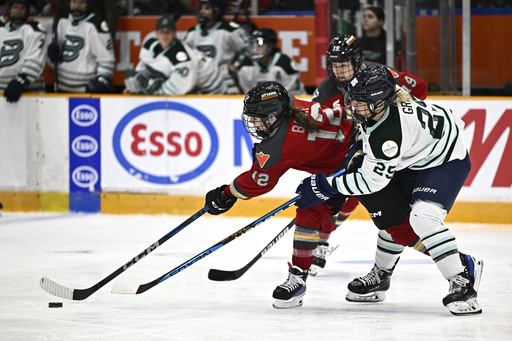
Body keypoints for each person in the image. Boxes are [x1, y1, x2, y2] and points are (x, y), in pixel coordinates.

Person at [296, 65, 484, 315]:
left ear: (379, 103)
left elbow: (372, 182)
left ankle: (461, 277)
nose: (353, 107)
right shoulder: (380, 104)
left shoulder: (388, 131)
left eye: (361, 103)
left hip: (446, 159)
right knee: (391, 212)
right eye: (353, 99)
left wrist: (327, 185)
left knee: (422, 218)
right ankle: (382, 275)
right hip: (415, 153)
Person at [309, 34, 428, 276]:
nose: (338, 71)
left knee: (386, 209)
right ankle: (321, 240)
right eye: (334, 65)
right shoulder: (326, 90)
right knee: (346, 195)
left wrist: (399, 122)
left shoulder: (380, 74)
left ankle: (438, 251)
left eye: (344, 65)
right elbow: (321, 127)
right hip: (357, 151)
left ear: (357, 61)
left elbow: (420, 88)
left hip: (391, 150)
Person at [123, 15, 227, 95]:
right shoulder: (149, 45)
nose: (165, 35)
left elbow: (179, 87)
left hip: (212, 85)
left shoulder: (180, 56)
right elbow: (145, 67)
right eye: (161, 32)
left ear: (174, 33)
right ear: (156, 34)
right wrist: (135, 86)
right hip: (194, 81)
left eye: (168, 32)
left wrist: (154, 92)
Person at [46, 0, 115, 93]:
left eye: (81, 3)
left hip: (86, 89)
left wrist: (103, 77)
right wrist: (56, 51)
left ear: (87, 4)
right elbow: (60, 47)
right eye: (74, 2)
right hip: (61, 87)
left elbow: (106, 58)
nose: (77, 6)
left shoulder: (96, 24)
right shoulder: (63, 19)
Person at [184, 0, 250, 94]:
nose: (202, 11)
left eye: (207, 8)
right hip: (200, 79)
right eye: (201, 8)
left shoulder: (230, 29)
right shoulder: (193, 32)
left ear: (217, 11)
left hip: (223, 78)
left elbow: (249, 50)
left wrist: (236, 66)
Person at [234, 27, 306, 96]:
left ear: (270, 46)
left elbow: (292, 95)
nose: (255, 50)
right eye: (252, 45)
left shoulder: (285, 64)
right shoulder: (245, 66)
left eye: (259, 44)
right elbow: (248, 95)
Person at [1, 0, 47, 103]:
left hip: (30, 92)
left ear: (27, 11)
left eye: (22, 8)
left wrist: (21, 80)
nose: (18, 11)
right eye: (15, 7)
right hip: (2, 92)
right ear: (9, 10)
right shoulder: (1, 30)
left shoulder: (35, 29)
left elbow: (36, 59)